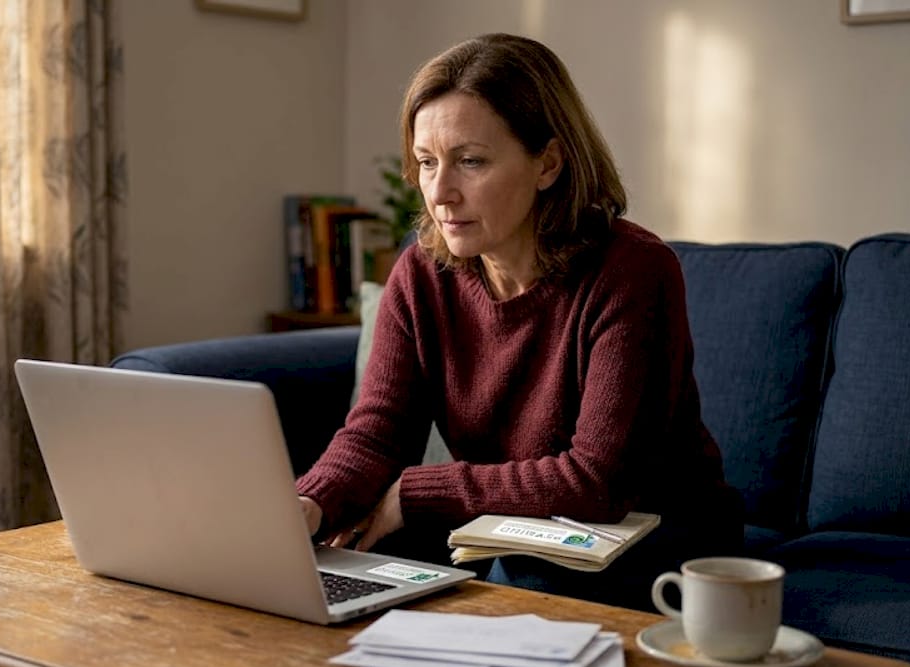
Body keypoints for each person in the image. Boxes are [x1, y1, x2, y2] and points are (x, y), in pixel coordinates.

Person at [295, 32, 742, 611]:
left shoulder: (633, 271)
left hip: (656, 532)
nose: (440, 193)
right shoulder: (422, 274)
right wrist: (310, 503)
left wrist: (413, 492)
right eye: (427, 162)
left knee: (523, 576)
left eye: (470, 161)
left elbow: (596, 482)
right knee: (335, 565)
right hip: (515, 527)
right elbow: (378, 430)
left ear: (548, 163)